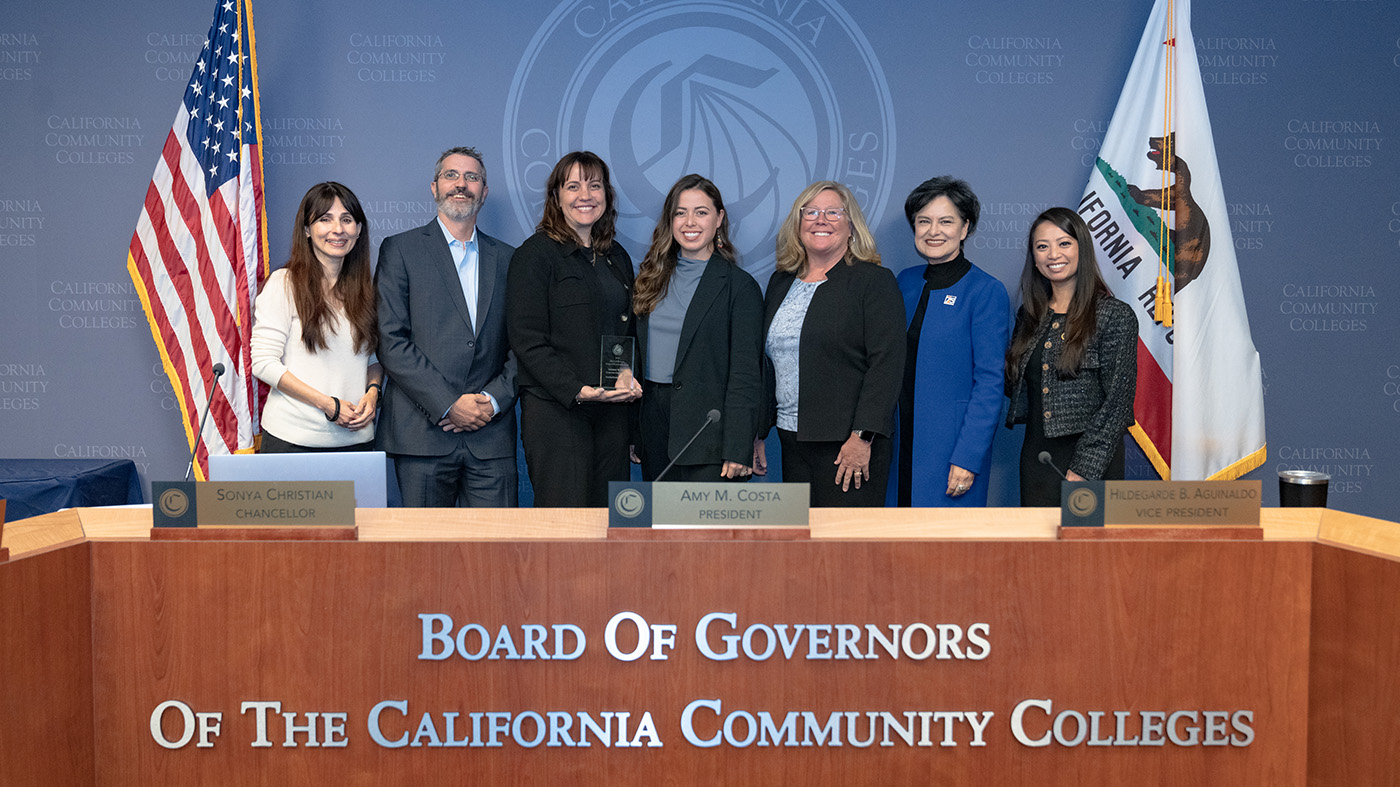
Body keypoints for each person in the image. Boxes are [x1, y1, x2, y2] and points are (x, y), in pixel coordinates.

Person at [375, 146, 519, 507]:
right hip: (422, 435)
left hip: (491, 435)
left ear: (484, 192)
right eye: (451, 175)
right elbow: (391, 340)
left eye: (472, 177)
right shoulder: (400, 250)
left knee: (495, 554)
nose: (461, 184)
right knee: (424, 556)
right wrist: (447, 403)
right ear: (434, 187)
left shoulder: (510, 258)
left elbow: (525, 344)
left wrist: (491, 400)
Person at [756, 181, 906, 506]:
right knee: (804, 550)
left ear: (851, 226)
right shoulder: (781, 282)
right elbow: (767, 363)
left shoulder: (873, 282)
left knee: (845, 551)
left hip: (847, 446)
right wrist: (758, 431)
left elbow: (887, 365)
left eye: (832, 212)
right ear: (797, 225)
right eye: (810, 212)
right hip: (790, 438)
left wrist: (862, 437)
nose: (820, 219)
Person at [506, 151, 641, 506]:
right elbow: (527, 340)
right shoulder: (534, 256)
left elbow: (626, 332)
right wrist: (577, 390)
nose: (585, 195)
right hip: (557, 413)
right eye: (573, 186)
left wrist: (626, 375)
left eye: (595, 185)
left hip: (612, 412)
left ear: (607, 197)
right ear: (556, 197)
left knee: (611, 520)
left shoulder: (618, 257)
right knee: (563, 526)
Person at [633, 174, 763, 481]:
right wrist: (633, 432)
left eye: (701, 212)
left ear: (719, 219)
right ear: (670, 220)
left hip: (711, 436)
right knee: (659, 528)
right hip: (654, 429)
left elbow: (746, 374)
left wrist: (738, 446)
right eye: (680, 212)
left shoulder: (739, 287)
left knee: (704, 530)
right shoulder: (649, 278)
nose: (689, 222)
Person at [1005, 206, 1138, 506]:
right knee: (1040, 551)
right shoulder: (1029, 316)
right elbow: (1013, 384)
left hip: (1092, 462)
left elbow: (1118, 403)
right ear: (1034, 259)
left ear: (1082, 249)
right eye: (1042, 246)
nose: (1053, 254)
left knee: (1089, 553)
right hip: (1038, 458)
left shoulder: (1114, 316)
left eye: (1064, 243)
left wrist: (1084, 469)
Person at [890, 176, 1010, 507]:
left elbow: (989, 383)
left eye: (946, 221)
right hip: (898, 442)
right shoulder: (904, 283)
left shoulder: (985, 291)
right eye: (923, 221)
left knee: (945, 551)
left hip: (951, 449)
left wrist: (968, 457)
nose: (934, 231)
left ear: (965, 228)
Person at [252, 182, 382, 452]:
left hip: (356, 442)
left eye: (347, 219)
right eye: (325, 219)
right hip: (292, 441)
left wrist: (373, 393)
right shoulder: (284, 284)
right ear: (307, 230)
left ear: (358, 230)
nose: (338, 229)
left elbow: (372, 358)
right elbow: (263, 363)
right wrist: (327, 404)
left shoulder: (366, 291)